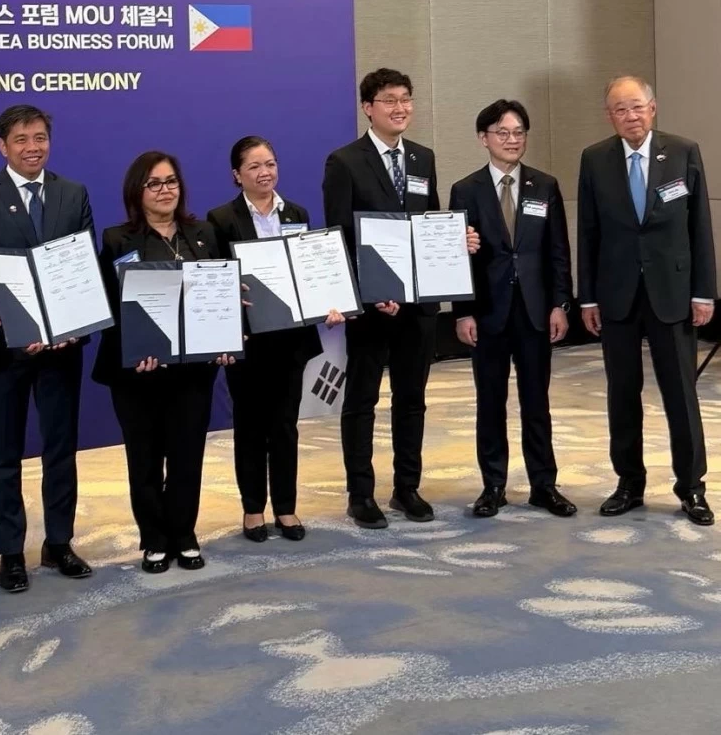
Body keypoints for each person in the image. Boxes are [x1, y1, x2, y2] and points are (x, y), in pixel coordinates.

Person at [323, 69, 480, 529]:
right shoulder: (345, 162)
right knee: (362, 401)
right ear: (368, 107)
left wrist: (456, 242)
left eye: (406, 99)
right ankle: (361, 494)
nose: (400, 108)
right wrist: (370, 295)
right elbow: (340, 238)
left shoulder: (422, 158)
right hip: (372, 308)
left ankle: (406, 488)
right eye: (389, 100)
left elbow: (426, 226)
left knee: (412, 399)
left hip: (418, 306)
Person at [0, 104, 95, 593]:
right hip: (6, 351)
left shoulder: (72, 193)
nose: (32, 147)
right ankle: (11, 553)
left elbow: (81, 268)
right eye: (21, 139)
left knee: (61, 448)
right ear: (2, 146)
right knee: (5, 453)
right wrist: (19, 327)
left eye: (40, 137)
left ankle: (59, 543)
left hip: (62, 347)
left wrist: (70, 326)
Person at [578, 75, 717, 525]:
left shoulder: (682, 151)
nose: (630, 116)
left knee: (680, 392)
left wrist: (704, 292)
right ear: (609, 116)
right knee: (622, 393)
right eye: (620, 109)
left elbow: (699, 228)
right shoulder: (595, 159)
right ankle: (628, 484)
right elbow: (589, 232)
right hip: (616, 296)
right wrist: (587, 299)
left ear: (652, 109)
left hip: (673, 294)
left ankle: (691, 487)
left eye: (636, 107)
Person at [94, 151, 237, 572]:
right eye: (154, 183)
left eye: (171, 181)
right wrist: (134, 350)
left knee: (187, 454)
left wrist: (227, 338)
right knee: (145, 457)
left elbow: (221, 294)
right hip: (138, 374)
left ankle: (184, 533)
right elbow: (111, 308)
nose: (165, 190)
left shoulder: (203, 233)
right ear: (137, 192)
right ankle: (154, 538)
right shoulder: (117, 239)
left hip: (192, 371)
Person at [207, 136, 344, 542]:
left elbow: (312, 271)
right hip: (248, 341)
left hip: (290, 341)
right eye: (254, 167)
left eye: (270, 164)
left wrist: (330, 303)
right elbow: (216, 280)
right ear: (237, 175)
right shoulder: (221, 219)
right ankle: (253, 510)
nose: (265, 173)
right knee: (250, 427)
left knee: (284, 426)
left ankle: (286, 507)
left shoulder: (296, 212)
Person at [449, 101, 577, 519]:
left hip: (536, 311)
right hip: (487, 312)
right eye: (502, 132)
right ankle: (494, 486)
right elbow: (458, 258)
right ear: (483, 138)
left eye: (519, 131)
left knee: (536, 400)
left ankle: (544, 484)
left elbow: (559, 250)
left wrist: (560, 303)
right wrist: (462, 312)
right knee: (490, 400)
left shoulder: (545, 184)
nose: (512, 140)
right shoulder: (465, 190)